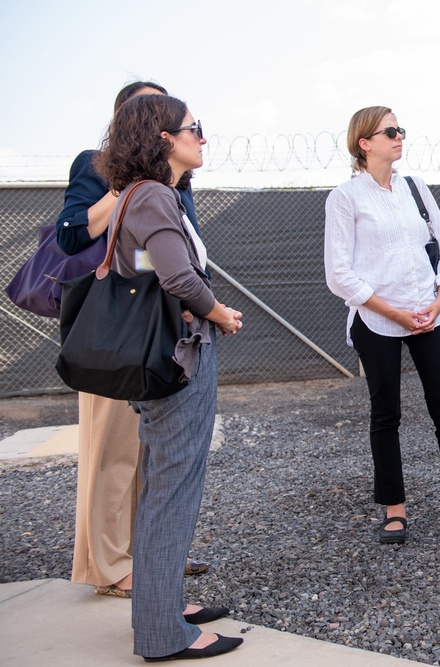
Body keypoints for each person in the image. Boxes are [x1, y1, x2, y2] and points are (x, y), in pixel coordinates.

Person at [95, 93, 244, 661]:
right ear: (163, 138)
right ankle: (163, 634)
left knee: (163, 489)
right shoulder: (156, 195)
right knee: (172, 494)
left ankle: (155, 619)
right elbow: (179, 277)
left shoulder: (140, 196)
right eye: (193, 128)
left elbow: (146, 270)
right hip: (180, 359)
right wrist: (219, 312)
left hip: (160, 361)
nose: (202, 138)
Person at [56, 81, 209, 600]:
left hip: (161, 324)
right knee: (112, 450)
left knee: (154, 452)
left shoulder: (174, 181)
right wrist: (124, 187)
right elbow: (72, 235)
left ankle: (149, 556)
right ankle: (109, 564)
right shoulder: (96, 165)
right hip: (121, 325)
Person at [324, 105, 440, 547]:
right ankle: (394, 511)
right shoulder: (346, 198)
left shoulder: (416, 188)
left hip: (430, 314)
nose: (400, 136)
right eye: (390, 131)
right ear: (365, 143)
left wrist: (439, 299)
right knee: (386, 414)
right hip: (377, 320)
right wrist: (395, 313)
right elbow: (338, 273)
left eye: (400, 129)